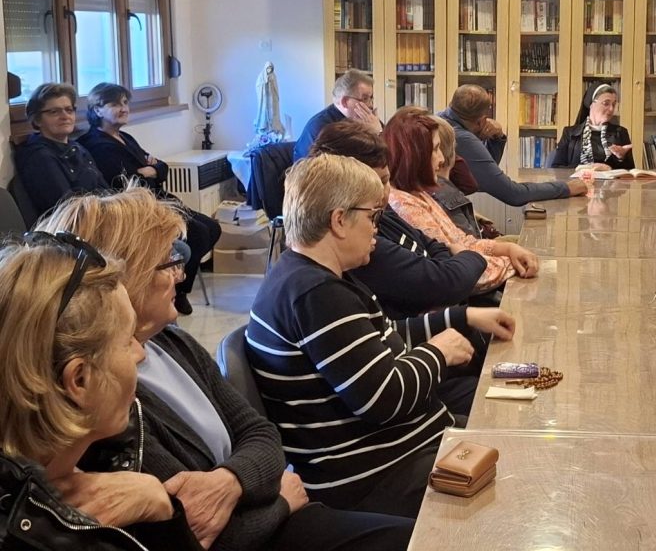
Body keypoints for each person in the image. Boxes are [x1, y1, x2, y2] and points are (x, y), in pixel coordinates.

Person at [38, 188, 414, 551]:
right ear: (125, 277)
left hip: (279, 522)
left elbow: (262, 434)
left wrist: (231, 481)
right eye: (168, 263)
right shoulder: (107, 396)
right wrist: (279, 499)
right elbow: (199, 532)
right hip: (272, 531)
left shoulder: (171, 342)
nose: (181, 275)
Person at [246, 154, 515, 518]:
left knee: (512, 437)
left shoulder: (318, 276)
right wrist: (437, 352)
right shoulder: (314, 293)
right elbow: (383, 398)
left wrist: (463, 316)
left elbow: (381, 339)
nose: (378, 228)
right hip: (375, 478)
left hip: (398, 455)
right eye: (373, 217)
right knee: (520, 481)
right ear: (339, 220)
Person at [0, 235, 201, 550]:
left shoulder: (99, 457)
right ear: (79, 380)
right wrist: (160, 504)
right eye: (127, 340)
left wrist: (158, 503)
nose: (140, 353)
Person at [309, 120, 493, 318]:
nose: (382, 192)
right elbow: (445, 285)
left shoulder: (383, 215)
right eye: (374, 182)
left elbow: (435, 246)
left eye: (385, 180)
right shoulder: (364, 242)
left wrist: (451, 259)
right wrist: (471, 256)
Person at [78, 82, 222, 316]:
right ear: (97, 110)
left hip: (158, 198)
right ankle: (176, 291)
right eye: (115, 103)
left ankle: (178, 285)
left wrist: (153, 171)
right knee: (197, 233)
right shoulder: (95, 144)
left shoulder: (125, 137)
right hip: (137, 207)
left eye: (125, 102)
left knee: (212, 227)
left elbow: (161, 167)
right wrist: (148, 171)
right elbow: (126, 182)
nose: (124, 108)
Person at [384, 108, 539, 285]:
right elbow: (456, 270)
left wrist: (507, 249)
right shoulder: (404, 205)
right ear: (414, 155)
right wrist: (512, 263)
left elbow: (463, 242)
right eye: (435, 150)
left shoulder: (418, 193)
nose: (442, 158)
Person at [439, 84, 588, 205]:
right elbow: (514, 194)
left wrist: (496, 139)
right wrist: (566, 187)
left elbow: (484, 174)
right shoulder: (461, 138)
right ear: (481, 121)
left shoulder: (440, 119)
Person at [14, 83, 109, 217]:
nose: (65, 116)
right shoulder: (39, 156)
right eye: (54, 112)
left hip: (100, 214)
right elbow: (67, 209)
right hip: (74, 227)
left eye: (69, 110)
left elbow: (106, 190)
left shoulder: (78, 148)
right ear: (37, 119)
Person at [293, 69, 381, 161]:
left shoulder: (364, 119)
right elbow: (346, 167)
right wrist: (376, 134)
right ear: (345, 102)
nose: (371, 105)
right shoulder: (323, 127)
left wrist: (379, 132)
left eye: (371, 98)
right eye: (365, 98)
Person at [549, 83, 635, 171]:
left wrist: (621, 158)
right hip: (577, 183)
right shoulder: (570, 133)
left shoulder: (621, 133)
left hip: (610, 184)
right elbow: (557, 168)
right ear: (591, 104)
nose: (611, 109)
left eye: (614, 104)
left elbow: (630, 173)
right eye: (606, 103)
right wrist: (583, 169)